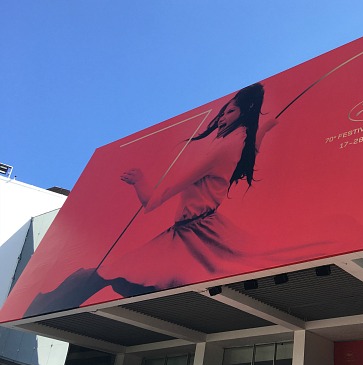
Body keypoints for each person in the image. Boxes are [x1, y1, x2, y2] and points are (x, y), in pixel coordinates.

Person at [24, 83, 273, 316]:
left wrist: (139, 180)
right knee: (115, 278)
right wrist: (267, 126)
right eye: (223, 111)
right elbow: (254, 147)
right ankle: (45, 308)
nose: (221, 118)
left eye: (230, 112)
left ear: (244, 113)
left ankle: (41, 309)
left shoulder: (219, 150)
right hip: (195, 232)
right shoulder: (241, 142)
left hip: (191, 238)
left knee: (99, 275)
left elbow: (154, 200)